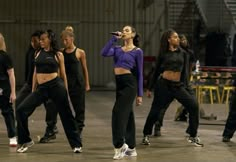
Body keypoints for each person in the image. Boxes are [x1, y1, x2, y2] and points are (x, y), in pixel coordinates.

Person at [16, 29, 82, 153]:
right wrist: (33, 90)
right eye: (40, 39)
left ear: (50, 40)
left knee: (66, 115)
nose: (40, 41)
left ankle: (76, 144)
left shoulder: (58, 54)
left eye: (43, 39)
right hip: (42, 88)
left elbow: (63, 74)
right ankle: (25, 140)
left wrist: (66, 91)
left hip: (56, 86)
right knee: (21, 110)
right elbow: (36, 73)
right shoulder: (37, 53)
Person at [142, 29, 203, 147]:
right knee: (155, 110)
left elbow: (185, 72)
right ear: (169, 40)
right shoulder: (163, 53)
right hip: (163, 85)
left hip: (178, 86)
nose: (178, 39)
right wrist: (149, 88)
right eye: (175, 37)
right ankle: (146, 134)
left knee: (194, 106)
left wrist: (187, 88)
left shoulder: (184, 53)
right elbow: (155, 72)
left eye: (177, 37)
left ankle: (193, 135)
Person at [101, 25, 143, 159]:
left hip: (130, 84)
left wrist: (140, 94)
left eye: (127, 31)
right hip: (120, 84)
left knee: (117, 112)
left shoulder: (137, 51)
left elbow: (140, 74)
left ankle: (119, 145)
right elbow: (104, 52)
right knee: (128, 115)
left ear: (132, 35)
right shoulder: (117, 49)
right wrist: (114, 39)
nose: (123, 32)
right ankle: (131, 147)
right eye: (123, 30)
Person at [15, 30, 59, 144]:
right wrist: (30, 85)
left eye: (36, 41)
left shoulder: (48, 53)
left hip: (46, 86)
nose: (33, 43)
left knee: (51, 106)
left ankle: (51, 129)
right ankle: (21, 129)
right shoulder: (31, 52)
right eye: (32, 41)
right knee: (19, 103)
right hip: (30, 84)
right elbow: (31, 71)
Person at [152, 34, 196, 136]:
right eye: (180, 39)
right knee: (163, 106)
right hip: (170, 84)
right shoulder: (169, 53)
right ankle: (157, 126)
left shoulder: (189, 53)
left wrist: (188, 80)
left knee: (193, 105)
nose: (183, 41)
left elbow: (191, 67)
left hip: (185, 83)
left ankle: (192, 129)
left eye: (184, 39)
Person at [60, 27, 90, 142]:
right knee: (66, 110)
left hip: (78, 84)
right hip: (65, 84)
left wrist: (87, 83)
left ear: (72, 39)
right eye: (63, 40)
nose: (64, 42)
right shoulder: (61, 53)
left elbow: (84, 69)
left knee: (79, 109)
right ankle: (71, 130)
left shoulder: (80, 52)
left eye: (66, 39)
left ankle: (79, 131)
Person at [0, 33, 17, 147]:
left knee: (7, 113)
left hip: (3, 89)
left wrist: (13, 92)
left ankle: (12, 137)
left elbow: (11, 74)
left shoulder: (5, 56)